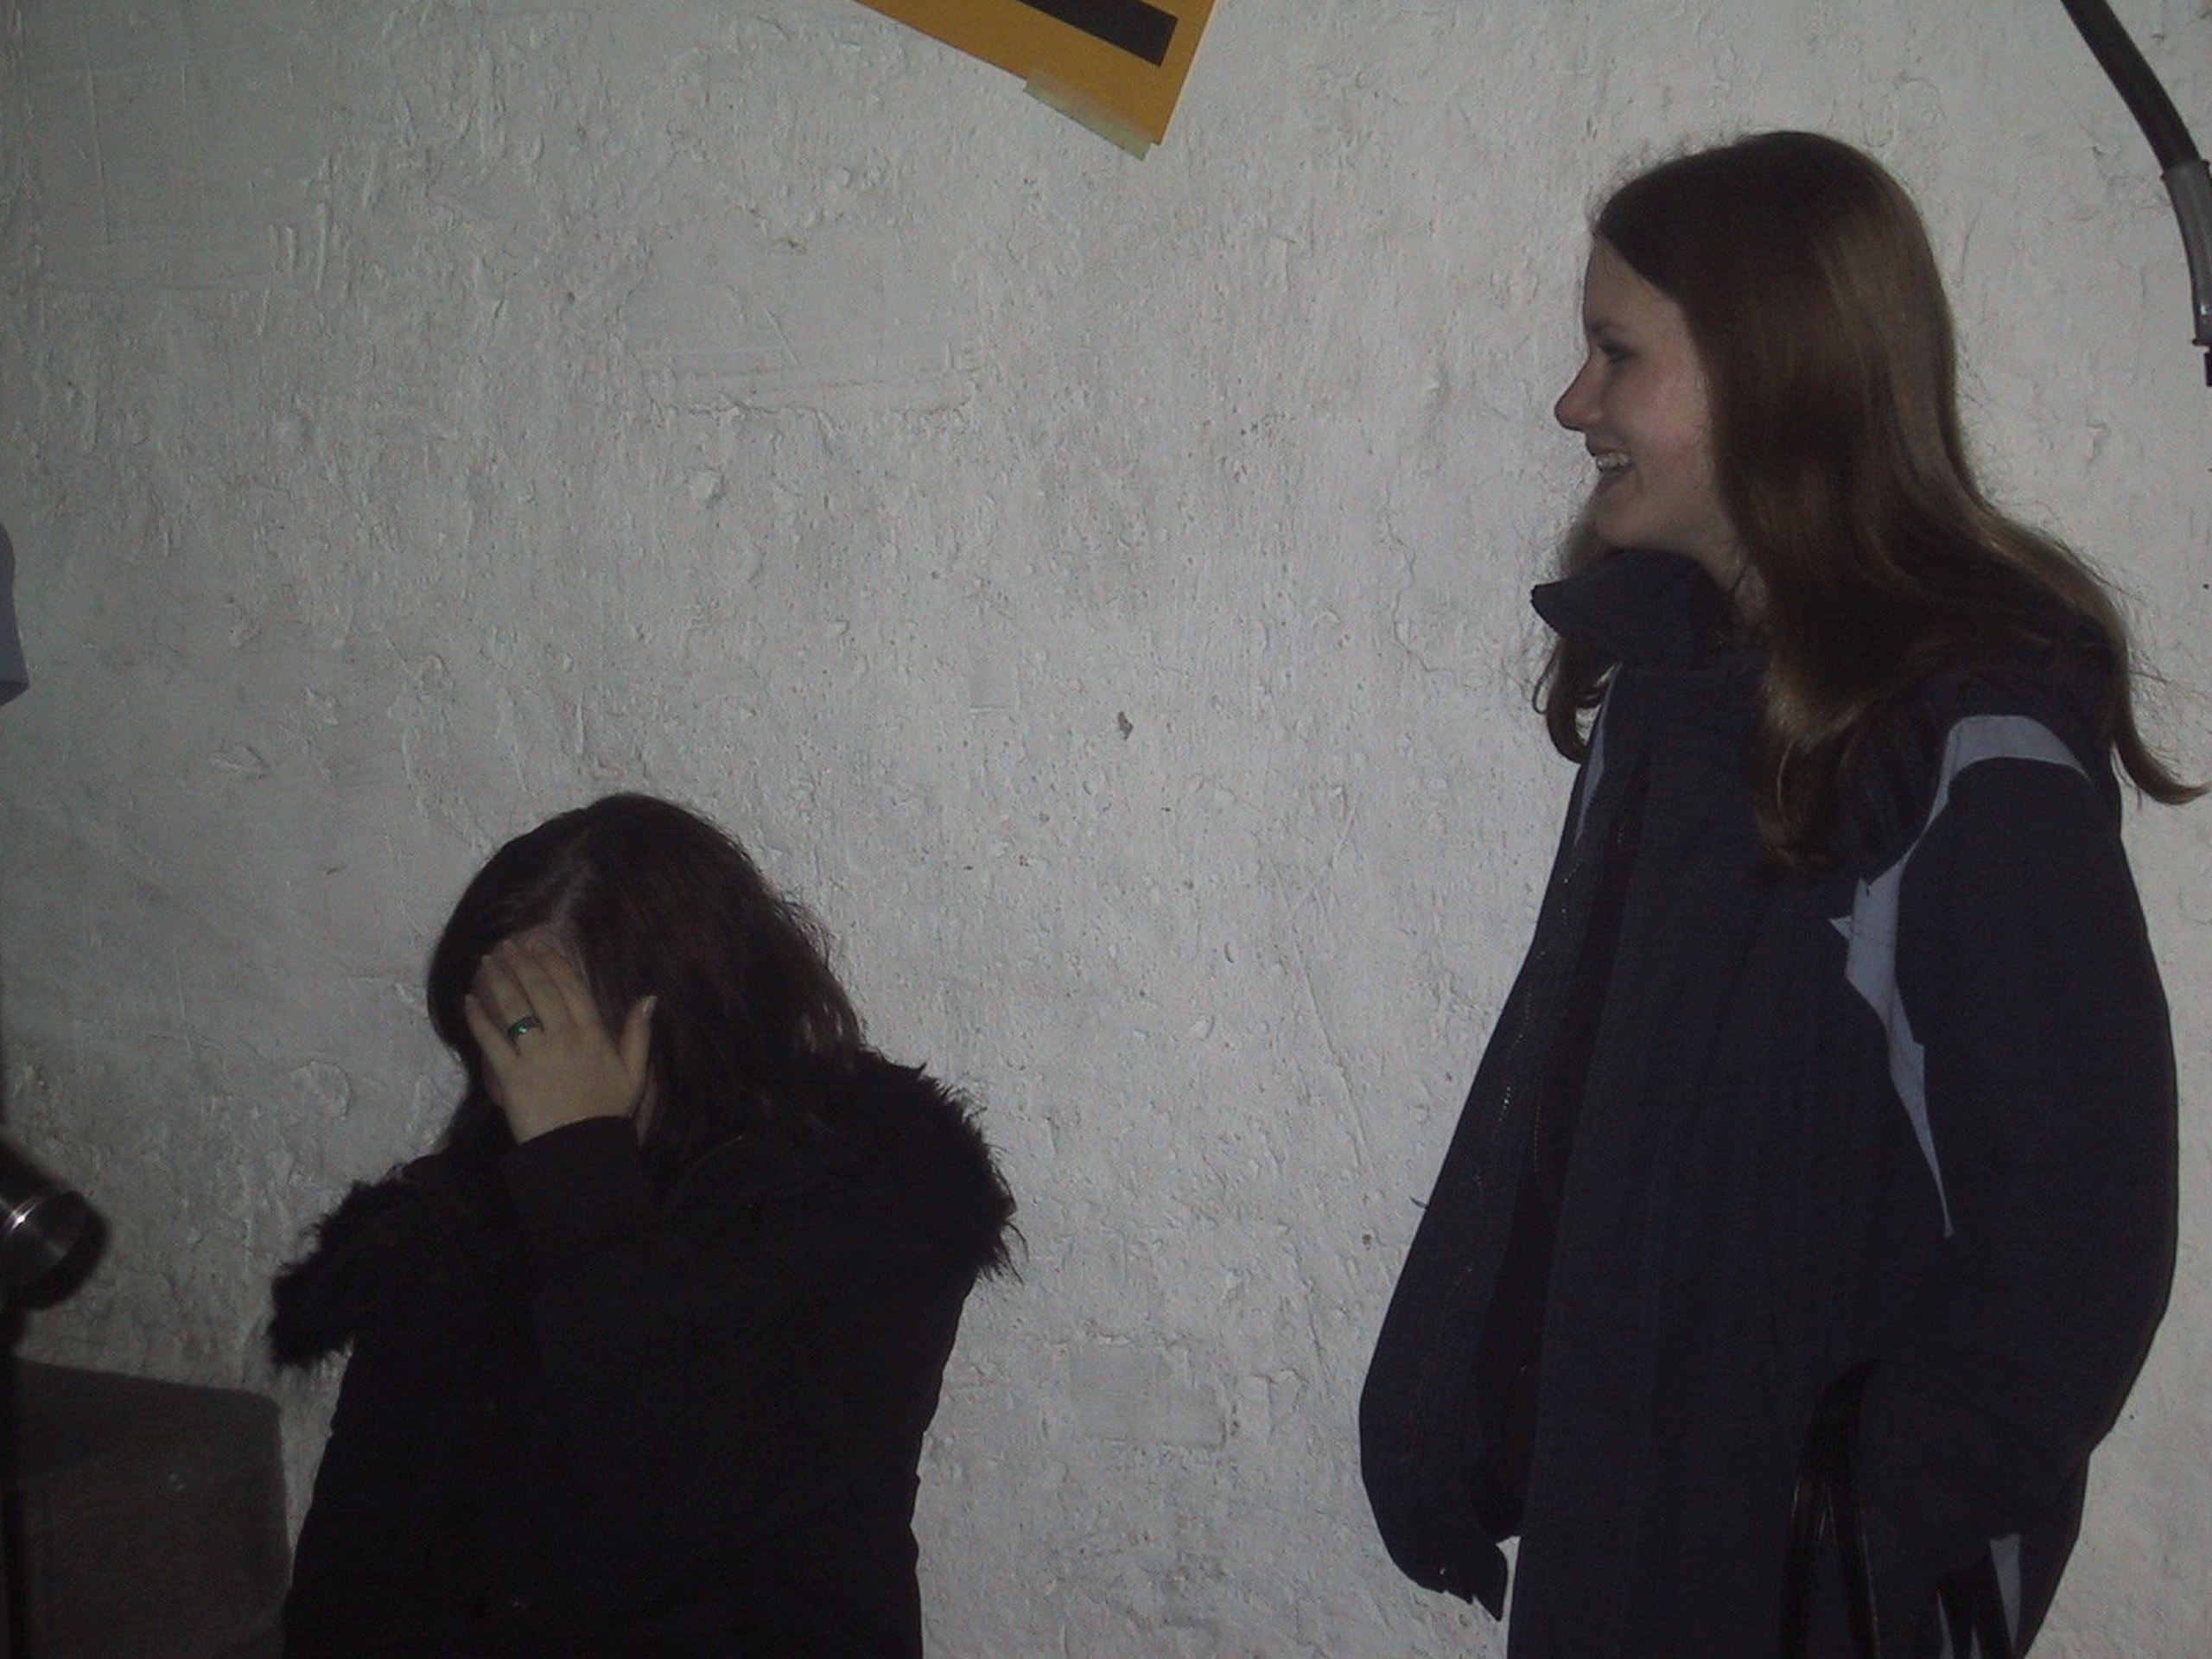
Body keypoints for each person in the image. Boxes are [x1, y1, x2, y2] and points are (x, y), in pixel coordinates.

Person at [1359, 131, 2188, 1657]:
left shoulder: (1969, 746)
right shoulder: (1671, 692)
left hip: (1813, 1590)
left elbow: (2080, 1246)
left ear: (1771, 374)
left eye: (1617, 354)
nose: (1575, 404)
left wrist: (1850, 1527)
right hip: (1633, 1525)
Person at [271, 794, 1015, 1656]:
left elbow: (682, 1500)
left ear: (688, 1014)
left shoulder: (871, 1206)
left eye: (552, 1029)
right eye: (504, 1031)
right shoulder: (461, 1216)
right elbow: (359, 1562)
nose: (519, 1075)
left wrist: (581, 1172)